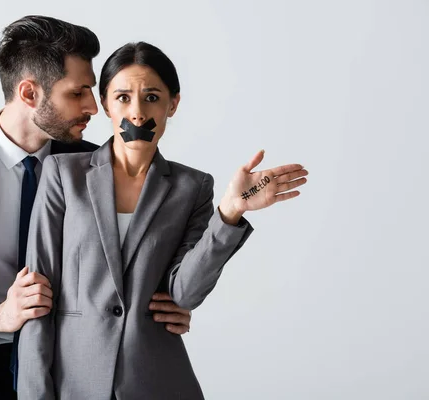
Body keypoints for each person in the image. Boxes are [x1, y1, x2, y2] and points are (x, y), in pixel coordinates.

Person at [0, 17, 193, 400]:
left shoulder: (97, 168)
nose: (94, 106)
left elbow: (124, 271)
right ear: (29, 93)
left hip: (63, 377)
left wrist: (162, 309)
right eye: (78, 93)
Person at [17, 41, 308, 399]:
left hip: (156, 381)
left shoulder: (192, 187)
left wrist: (230, 212)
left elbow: (184, 294)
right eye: (123, 97)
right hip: (74, 383)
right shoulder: (62, 175)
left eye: (152, 97)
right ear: (105, 102)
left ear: (173, 104)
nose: (138, 113)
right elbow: (37, 298)